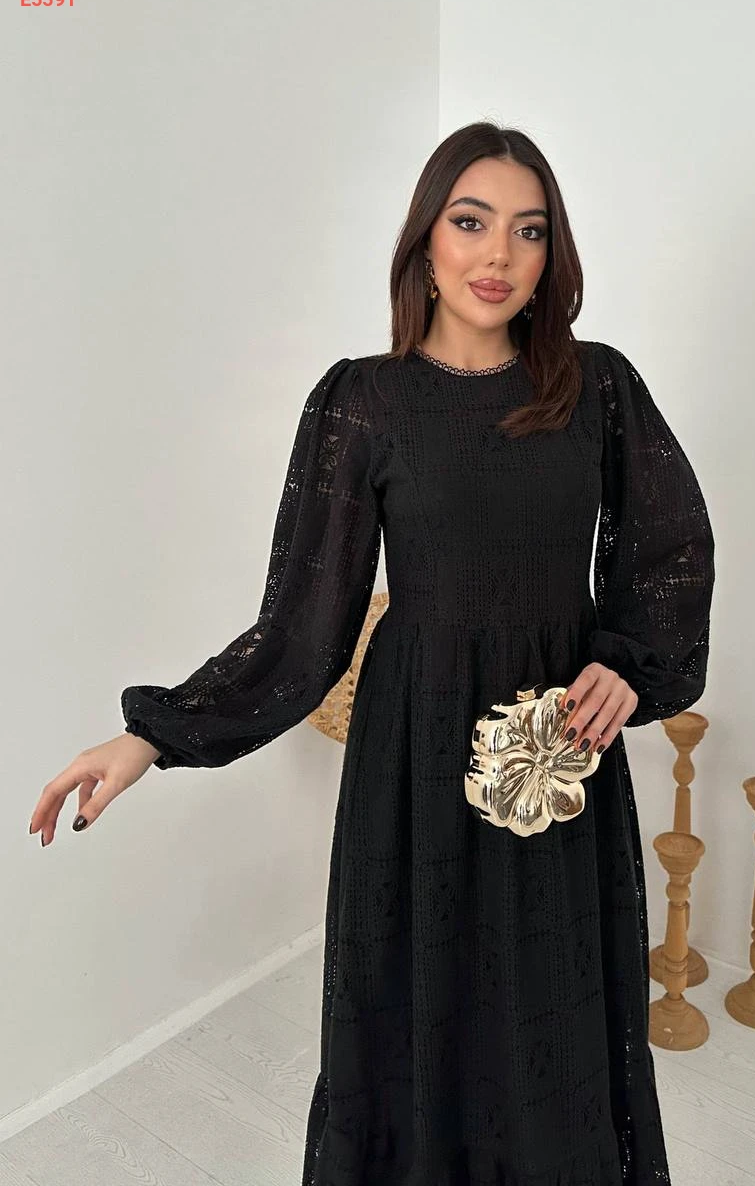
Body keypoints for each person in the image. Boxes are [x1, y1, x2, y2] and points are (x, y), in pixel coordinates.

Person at [29, 121, 714, 1185]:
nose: (499, 254)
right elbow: (303, 623)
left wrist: (629, 659)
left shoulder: (597, 388)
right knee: (417, 999)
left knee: (555, 1004)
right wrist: (151, 736)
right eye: (471, 222)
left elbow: (670, 546)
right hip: (416, 749)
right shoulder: (362, 401)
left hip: (555, 752)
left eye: (529, 230)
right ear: (425, 241)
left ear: (553, 254)